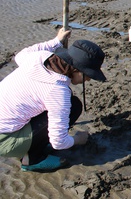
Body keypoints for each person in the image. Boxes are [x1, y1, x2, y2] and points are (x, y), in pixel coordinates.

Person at [0, 29, 107, 172]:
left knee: (62, 106)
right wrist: (77, 140)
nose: (88, 80)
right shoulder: (56, 91)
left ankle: (33, 143)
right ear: (77, 70)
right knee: (74, 106)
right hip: (5, 141)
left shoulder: (39, 57)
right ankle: (33, 159)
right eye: (88, 75)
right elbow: (58, 141)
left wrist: (56, 41)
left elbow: (20, 55)